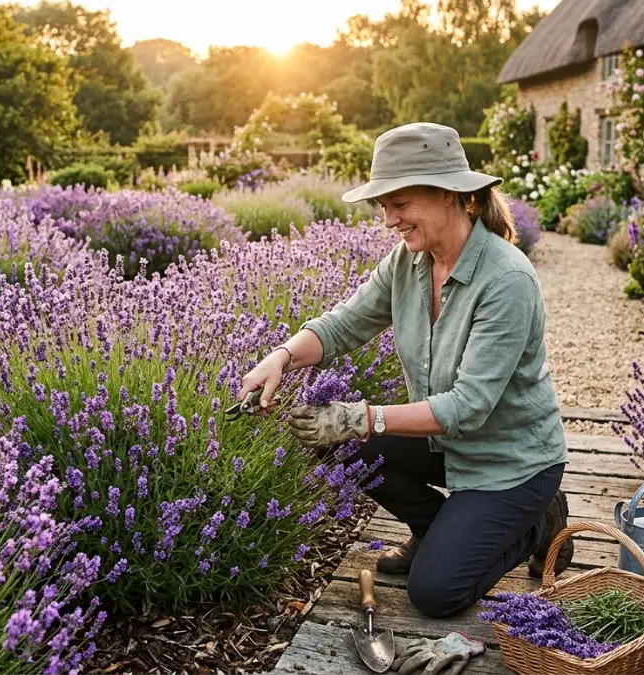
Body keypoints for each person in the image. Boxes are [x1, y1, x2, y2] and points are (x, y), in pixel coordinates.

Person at [235, 122, 571, 619]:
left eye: (401, 204)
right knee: (330, 438)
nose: (389, 219)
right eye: (383, 206)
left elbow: (469, 406)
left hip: (510, 463)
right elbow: (344, 324)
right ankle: (435, 528)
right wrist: (281, 355)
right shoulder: (407, 262)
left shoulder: (507, 279)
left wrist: (361, 417)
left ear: (453, 196)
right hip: (446, 445)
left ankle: (540, 521)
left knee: (434, 594)